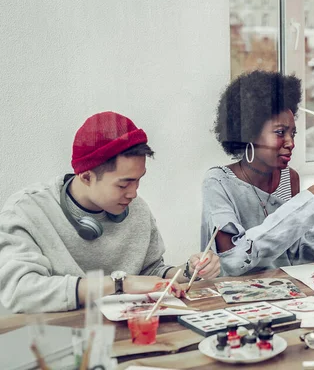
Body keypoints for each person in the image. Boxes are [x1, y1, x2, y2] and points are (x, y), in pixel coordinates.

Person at [0, 112, 221, 313]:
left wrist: (189, 270)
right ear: (85, 177)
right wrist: (119, 284)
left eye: (138, 180)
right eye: (124, 184)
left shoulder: (137, 209)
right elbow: (19, 291)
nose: (134, 193)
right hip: (57, 339)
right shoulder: (26, 210)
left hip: (128, 333)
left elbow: (152, 271)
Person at [202, 70, 314, 277]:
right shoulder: (219, 183)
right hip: (234, 298)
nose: (291, 143)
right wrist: (304, 205)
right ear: (249, 133)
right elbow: (234, 260)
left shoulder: (289, 178)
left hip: (283, 292)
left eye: (292, 133)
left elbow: (297, 257)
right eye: (280, 133)